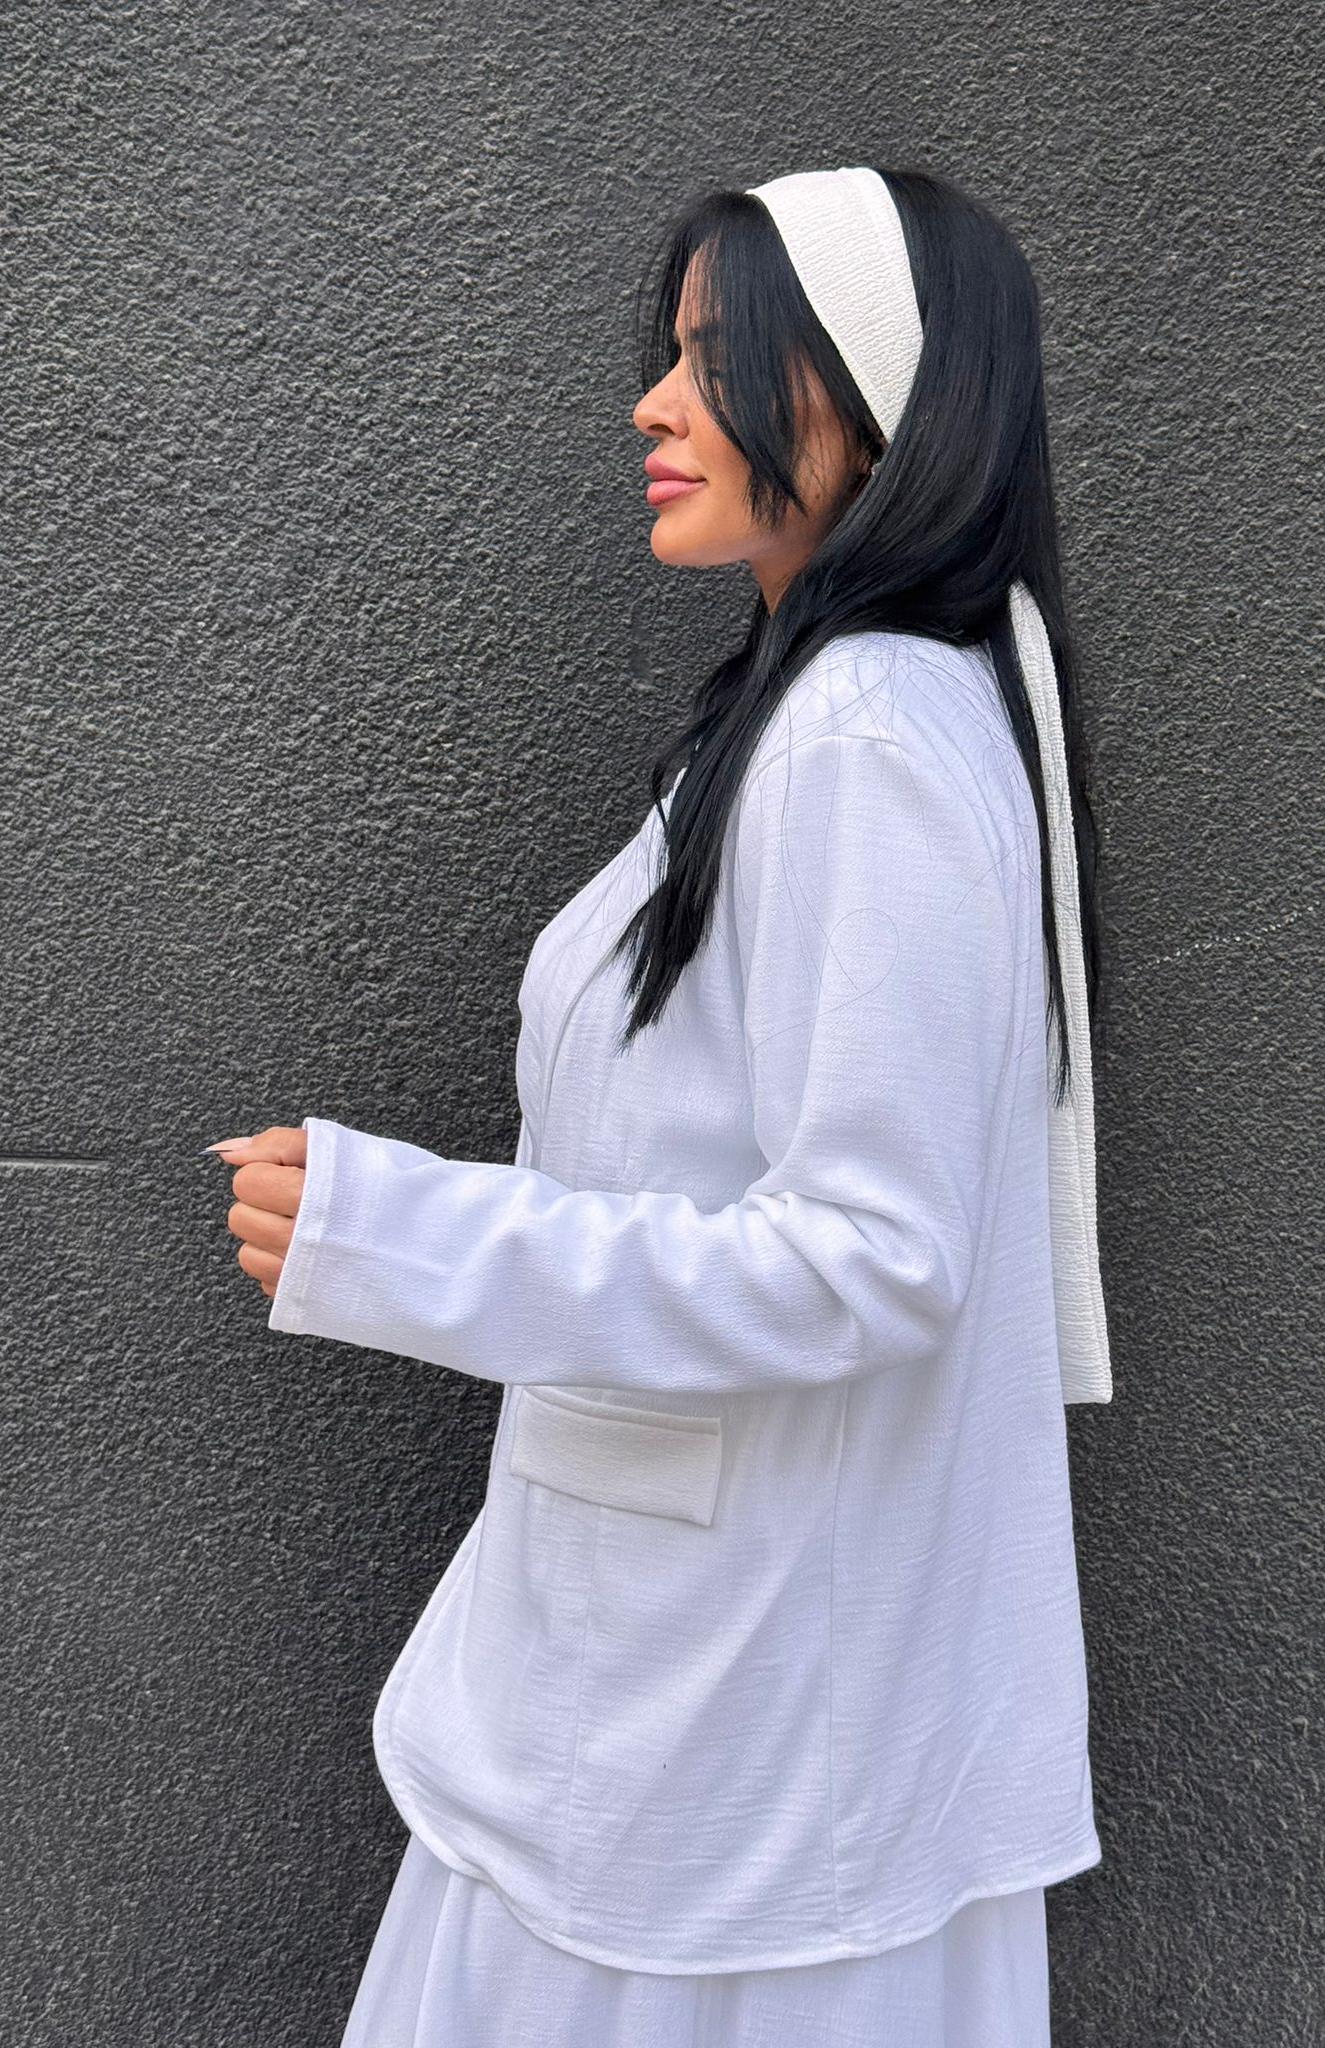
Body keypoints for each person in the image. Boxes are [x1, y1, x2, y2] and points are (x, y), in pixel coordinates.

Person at [208, 163, 1114, 2048]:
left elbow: (872, 1257)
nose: (653, 402)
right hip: (685, 1682)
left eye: (718, 358)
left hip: (728, 1731)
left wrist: (405, 1237)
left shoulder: (866, 735)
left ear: (871, 397)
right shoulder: (822, 713)